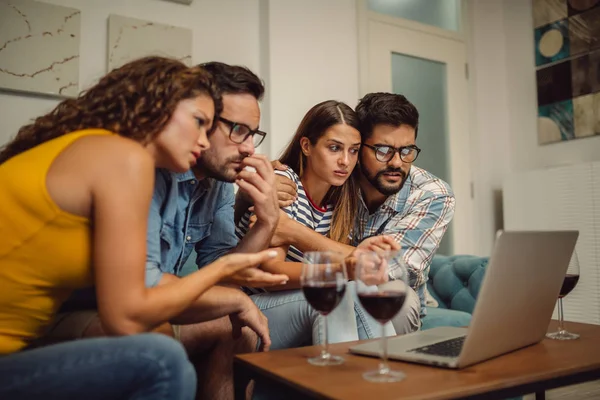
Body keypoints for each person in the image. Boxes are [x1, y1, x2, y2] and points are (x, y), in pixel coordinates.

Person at [0, 56, 276, 400]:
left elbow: (141, 293)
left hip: (23, 343)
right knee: (159, 359)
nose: (204, 141)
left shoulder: (103, 148)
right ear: (157, 107)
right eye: (198, 122)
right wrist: (226, 273)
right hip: (29, 341)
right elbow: (128, 316)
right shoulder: (124, 159)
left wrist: (265, 226)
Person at [262, 92, 457, 333]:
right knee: (345, 296)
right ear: (361, 144)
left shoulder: (432, 193)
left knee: (397, 299)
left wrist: (293, 232)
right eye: (383, 150)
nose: (396, 162)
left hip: (387, 291)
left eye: (407, 150)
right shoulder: (338, 177)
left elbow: (387, 270)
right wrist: (262, 180)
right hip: (325, 291)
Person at [236, 100, 397, 342]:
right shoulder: (285, 184)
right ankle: (360, 375)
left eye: (353, 150)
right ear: (306, 146)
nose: (345, 161)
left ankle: (380, 371)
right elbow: (271, 275)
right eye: (334, 148)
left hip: (296, 303)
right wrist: (340, 270)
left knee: (359, 289)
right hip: (250, 306)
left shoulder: (339, 203)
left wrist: (348, 269)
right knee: (339, 290)